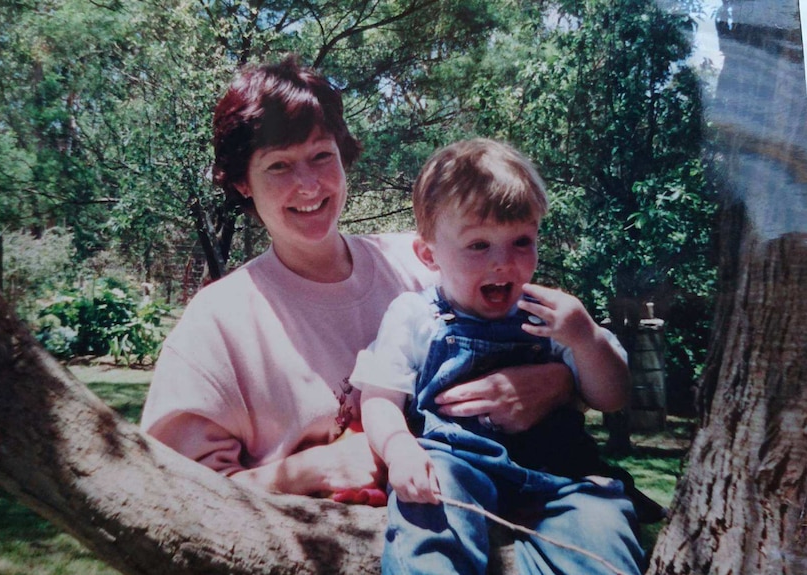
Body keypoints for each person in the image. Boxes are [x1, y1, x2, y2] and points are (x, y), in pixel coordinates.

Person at [139, 57, 576, 504]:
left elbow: (563, 340)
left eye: (321, 156)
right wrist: (308, 469)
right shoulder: (216, 324)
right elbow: (172, 493)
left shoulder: (427, 263)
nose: (308, 184)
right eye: (278, 166)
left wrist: (558, 383)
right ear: (242, 182)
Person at [350, 139, 645, 574]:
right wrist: (399, 450)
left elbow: (612, 396)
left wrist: (585, 340)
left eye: (521, 240)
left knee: (601, 532)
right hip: (455, 466)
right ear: (429, 255)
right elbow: (378, 398)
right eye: (478, 245)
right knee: (426, 519)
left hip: (559, 473)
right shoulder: (415, 315)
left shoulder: (554, 314)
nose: (503, 262)